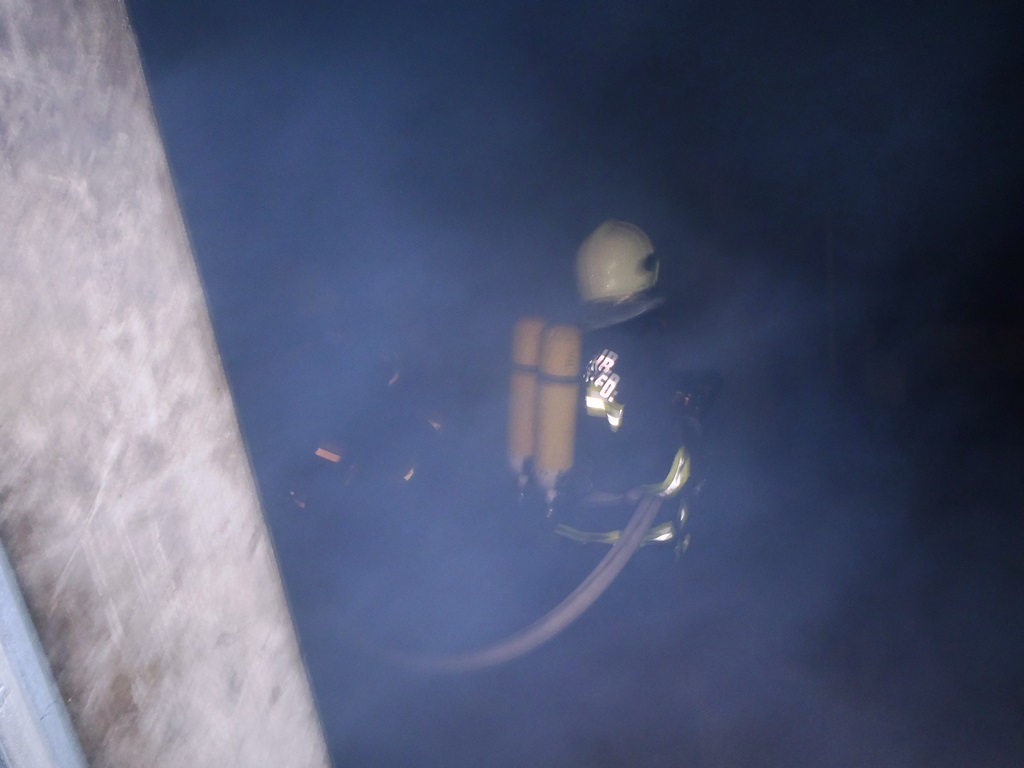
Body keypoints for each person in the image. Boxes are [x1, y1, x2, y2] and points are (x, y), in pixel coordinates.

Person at [510, 220, 719, 553]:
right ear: (647, 270)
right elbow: (662, 468)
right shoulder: (646, 350)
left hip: (567, 537)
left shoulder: (567, 348)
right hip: (634, 549)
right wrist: (693, 445)